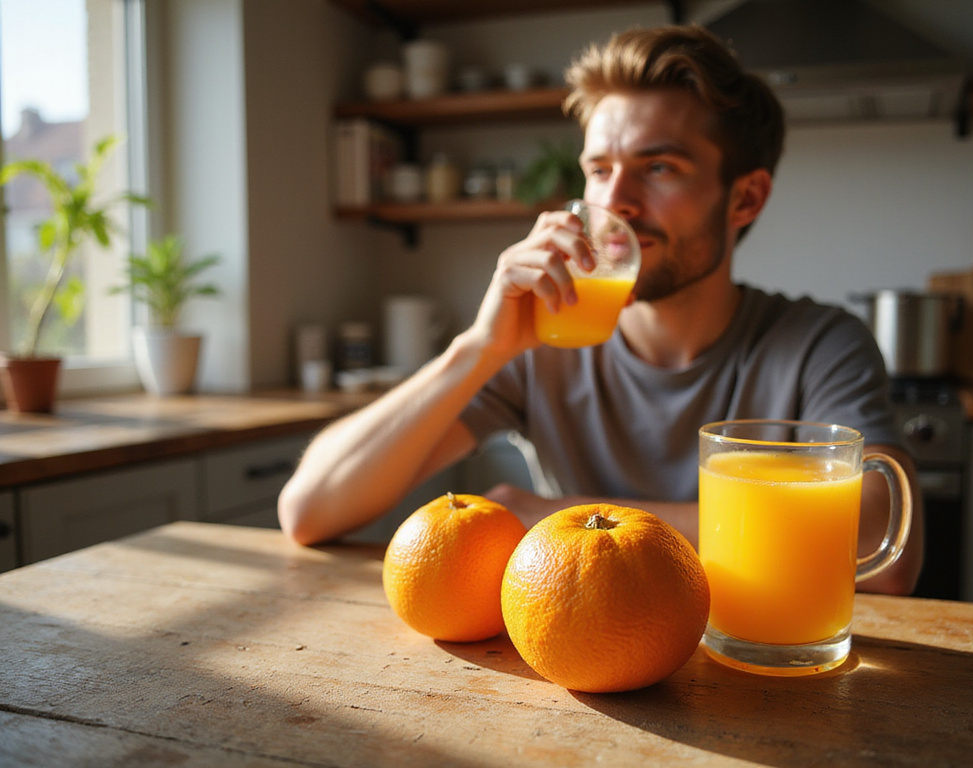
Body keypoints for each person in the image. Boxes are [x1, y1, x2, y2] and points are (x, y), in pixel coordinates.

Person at [279, 24, 923, 595]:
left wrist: (558, 518)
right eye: (599, 168)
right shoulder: (544, 341)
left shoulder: (820, 344)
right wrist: (480, 348)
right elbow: (309, 511)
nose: (616, 203)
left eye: (660, 167)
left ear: (745, 199)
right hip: (588, 657)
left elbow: (882, 554)